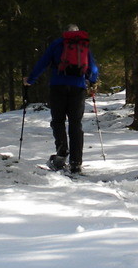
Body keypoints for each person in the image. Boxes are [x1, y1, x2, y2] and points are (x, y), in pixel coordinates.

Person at [24, 24, 99, 174]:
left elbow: (43, 62)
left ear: (66, 33)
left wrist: (30, 79)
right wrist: (93, 80)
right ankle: (76, 163)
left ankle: (61, 153)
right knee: (75, 124)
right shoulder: (83, 45)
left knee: (58, 121)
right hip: (78, 88)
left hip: (58, 86)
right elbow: (93, 68)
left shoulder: (57, 44)